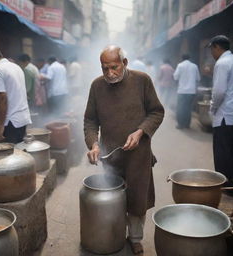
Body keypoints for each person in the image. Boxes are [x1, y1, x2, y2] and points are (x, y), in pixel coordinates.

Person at [84, 45, 164, 255]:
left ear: (124, 63)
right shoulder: (97, 86)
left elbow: (156, 112)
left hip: (139, 154)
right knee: (113, 199)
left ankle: (136, 238)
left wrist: (140, 132)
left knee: (137, 199)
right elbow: (90, 121)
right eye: (104, 69)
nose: (109, 73)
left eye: (114, 67)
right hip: (111, 156)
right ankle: (115, 234)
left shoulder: (142, 80)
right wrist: (93, 144)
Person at [0, 47, 31, 143]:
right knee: (19, 153)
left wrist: (0, 128)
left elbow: (3, 98)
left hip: (10, 121)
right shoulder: (16, 67)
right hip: (22, 118)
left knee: (9, 155)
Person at [207, 35, 233, 187]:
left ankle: (225, 182)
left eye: (212, 49)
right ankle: (232, 180)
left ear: (217, 47)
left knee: (222, 151)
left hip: (224, 115)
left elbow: (219, 92)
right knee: (231, 148)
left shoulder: (222, 63)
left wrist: (212, 108)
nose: (211, 53)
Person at [173, 54, 200, 129]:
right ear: (189, 58)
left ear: (182, 58)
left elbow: (175, 77)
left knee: (180, 108)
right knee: (188, 108)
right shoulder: (194, 66)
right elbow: (198, 78)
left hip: (181, 91)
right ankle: (187, 124)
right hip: (191, 91)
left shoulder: (180, 65)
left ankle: (180, 124)